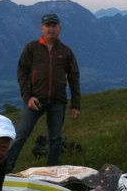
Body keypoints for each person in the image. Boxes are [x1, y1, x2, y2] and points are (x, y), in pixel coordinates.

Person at [6, 13, 81, 171]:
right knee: (21, 135)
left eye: (54, 26)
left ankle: (52, 171)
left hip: (58, 101)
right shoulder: (31, 48)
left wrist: (76, 105)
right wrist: (27, 97)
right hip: (35, 100)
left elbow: (74, 78)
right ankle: (5, 169)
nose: (51, 29)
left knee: (56, 138)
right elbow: (22, 72)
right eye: (48, 26)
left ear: (59, 28)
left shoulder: (66, 51)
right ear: (42, 28)